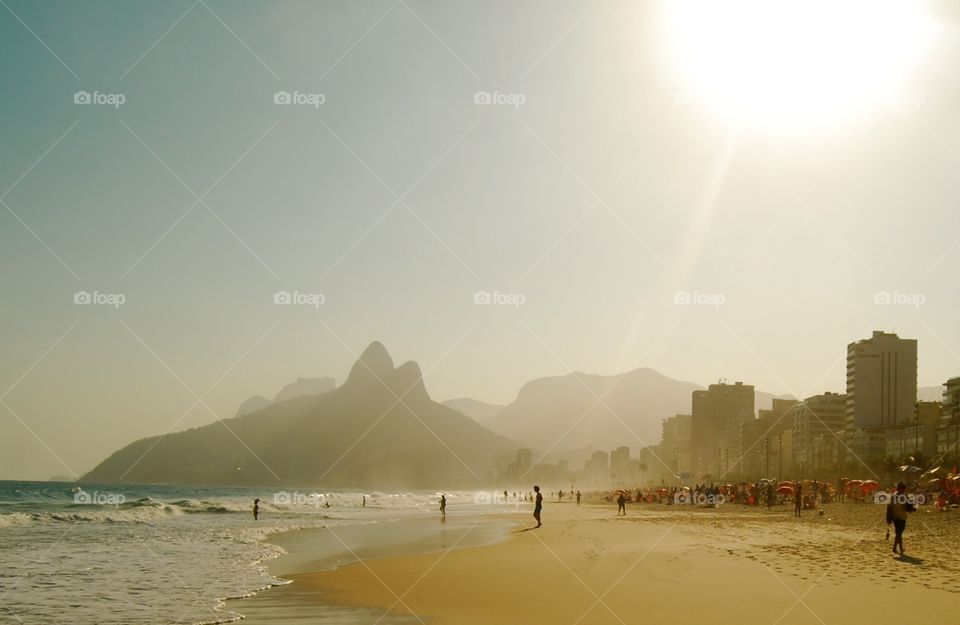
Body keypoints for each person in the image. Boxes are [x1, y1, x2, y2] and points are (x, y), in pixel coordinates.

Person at [886, 482, 915, 555]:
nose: (902, 490)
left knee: (899, 533)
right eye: (901, 489)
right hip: (896, 517)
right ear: (898, 489)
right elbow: (889, 508)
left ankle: (894, 548)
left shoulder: (905, 497)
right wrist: (888, 518)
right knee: (899, 532)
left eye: (903, 489)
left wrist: (911, 509)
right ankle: (901, 548)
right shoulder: (894, 497)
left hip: (903, 517)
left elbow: (909, 507)